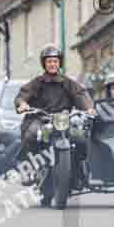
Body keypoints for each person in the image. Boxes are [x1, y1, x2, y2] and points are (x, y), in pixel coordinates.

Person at [14, 45, 94, 180]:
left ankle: (79, 171)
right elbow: (23, 94)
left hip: (64, 120)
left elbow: (80, 94)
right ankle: (30, 169)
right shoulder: (37, 82)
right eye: (49, 61)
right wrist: (22, 104)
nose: (52, 64)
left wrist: (88, 108)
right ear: (44, 64)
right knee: (32, 134)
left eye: (55, 61)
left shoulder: (68, 82)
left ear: (59, 63)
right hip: (41, 119)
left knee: (81, 139)